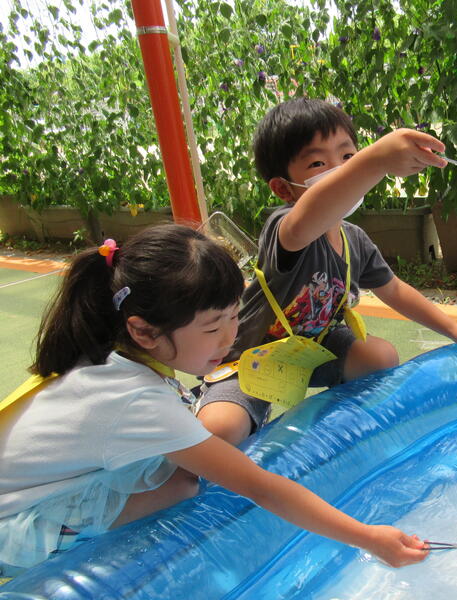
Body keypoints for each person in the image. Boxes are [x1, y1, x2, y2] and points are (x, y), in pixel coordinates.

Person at [0, 225, 428, 575]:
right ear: (143, 331)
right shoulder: (135, 400)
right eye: (212, 327)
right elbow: (261, 487)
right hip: (12, 524)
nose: (230, 338)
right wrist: (368, 536)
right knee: (182, 485)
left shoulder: (109, 354)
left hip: (34, 486)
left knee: (179, 473)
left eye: (233, 316)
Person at [197, 98, 457, 445]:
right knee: (221, 429)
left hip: (317, 345)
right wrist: (375, 160)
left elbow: (394, 290)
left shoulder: (354, 239)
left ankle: (330, 429)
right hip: (256, 355)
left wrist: (454, 328)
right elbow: (312, 213)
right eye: (318, 163)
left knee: (380, 357)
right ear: (283, 188)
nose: (341, 170)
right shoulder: (287, 227)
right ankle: (236, 406)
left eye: (348, 157)